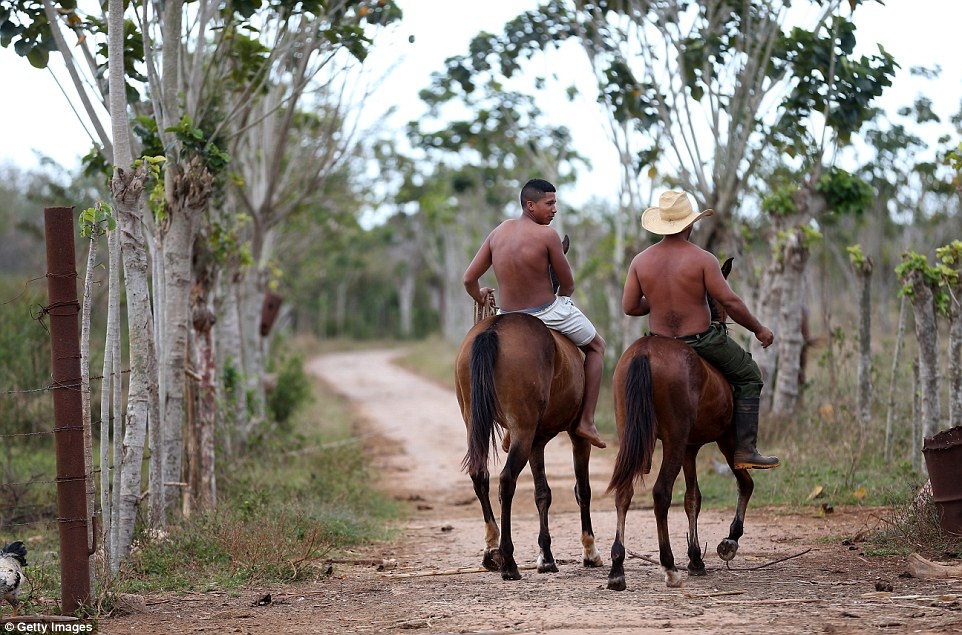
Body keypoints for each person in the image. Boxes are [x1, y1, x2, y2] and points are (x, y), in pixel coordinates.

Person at [621, 190, 779, 469]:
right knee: (750, 374)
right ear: (690, 224)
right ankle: (745, 449)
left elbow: (630, 307)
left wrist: (657, 300)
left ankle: (641, 451)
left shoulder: (640, 261)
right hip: (701, 340)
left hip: (659, 339)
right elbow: (729, 301)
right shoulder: (703, 259)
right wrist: (759, 329)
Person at [462, 178, 607, 449]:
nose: (554, 209)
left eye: (555, 203)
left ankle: (512, 426)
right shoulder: (548, 236)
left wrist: (479, 295)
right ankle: (586, 420)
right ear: (530, 205)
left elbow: (469, 278)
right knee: (598, 346)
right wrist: (560, 298)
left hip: (507, 314)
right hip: (547, 312)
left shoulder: (498, 233)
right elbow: (569, 284)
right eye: (549, 203)